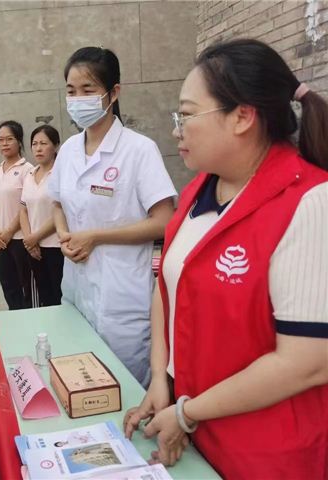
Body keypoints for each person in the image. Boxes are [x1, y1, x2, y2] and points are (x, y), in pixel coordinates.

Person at [123, 39, 328, 478]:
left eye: (186, 115)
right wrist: (160, 378)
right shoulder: (198, 190)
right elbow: (168, 287)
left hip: (265, 453)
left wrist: (186, 412)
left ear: (242, 117)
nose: (177, 130)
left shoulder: (310, 202)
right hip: (196, 430)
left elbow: (307, 362)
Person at [49, 47, 176, 386]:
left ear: (113, 92)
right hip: (75, 288)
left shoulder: (139, 149)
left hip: (121, 297)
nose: (78, 100)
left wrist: (96, 237)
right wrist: (63, 234)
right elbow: (57, 203)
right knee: (81, 383)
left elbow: (165, 220)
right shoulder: (69, 150)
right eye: (71, 91)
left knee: (126, 390)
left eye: (88, 90)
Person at [0, 120, 35, 310]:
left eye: (9, 139)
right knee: (8, 286)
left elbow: (27, 205)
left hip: (20, 238)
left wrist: (9, 231)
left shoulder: (28, 169)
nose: (4, 144)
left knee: (26, 287)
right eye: (0, 140)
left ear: (19, 141)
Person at [19, 125, 63, 306]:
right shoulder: (30, 174)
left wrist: (35, 237)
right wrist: (29, 241)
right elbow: (23, 209)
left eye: (44, 143)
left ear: (56, 145)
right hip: (34, 248)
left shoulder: (61, 173)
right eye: (35, 144)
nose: (38, 148)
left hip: (57, 245)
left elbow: (61, 211)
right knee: (43, 298)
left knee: (59, 296)